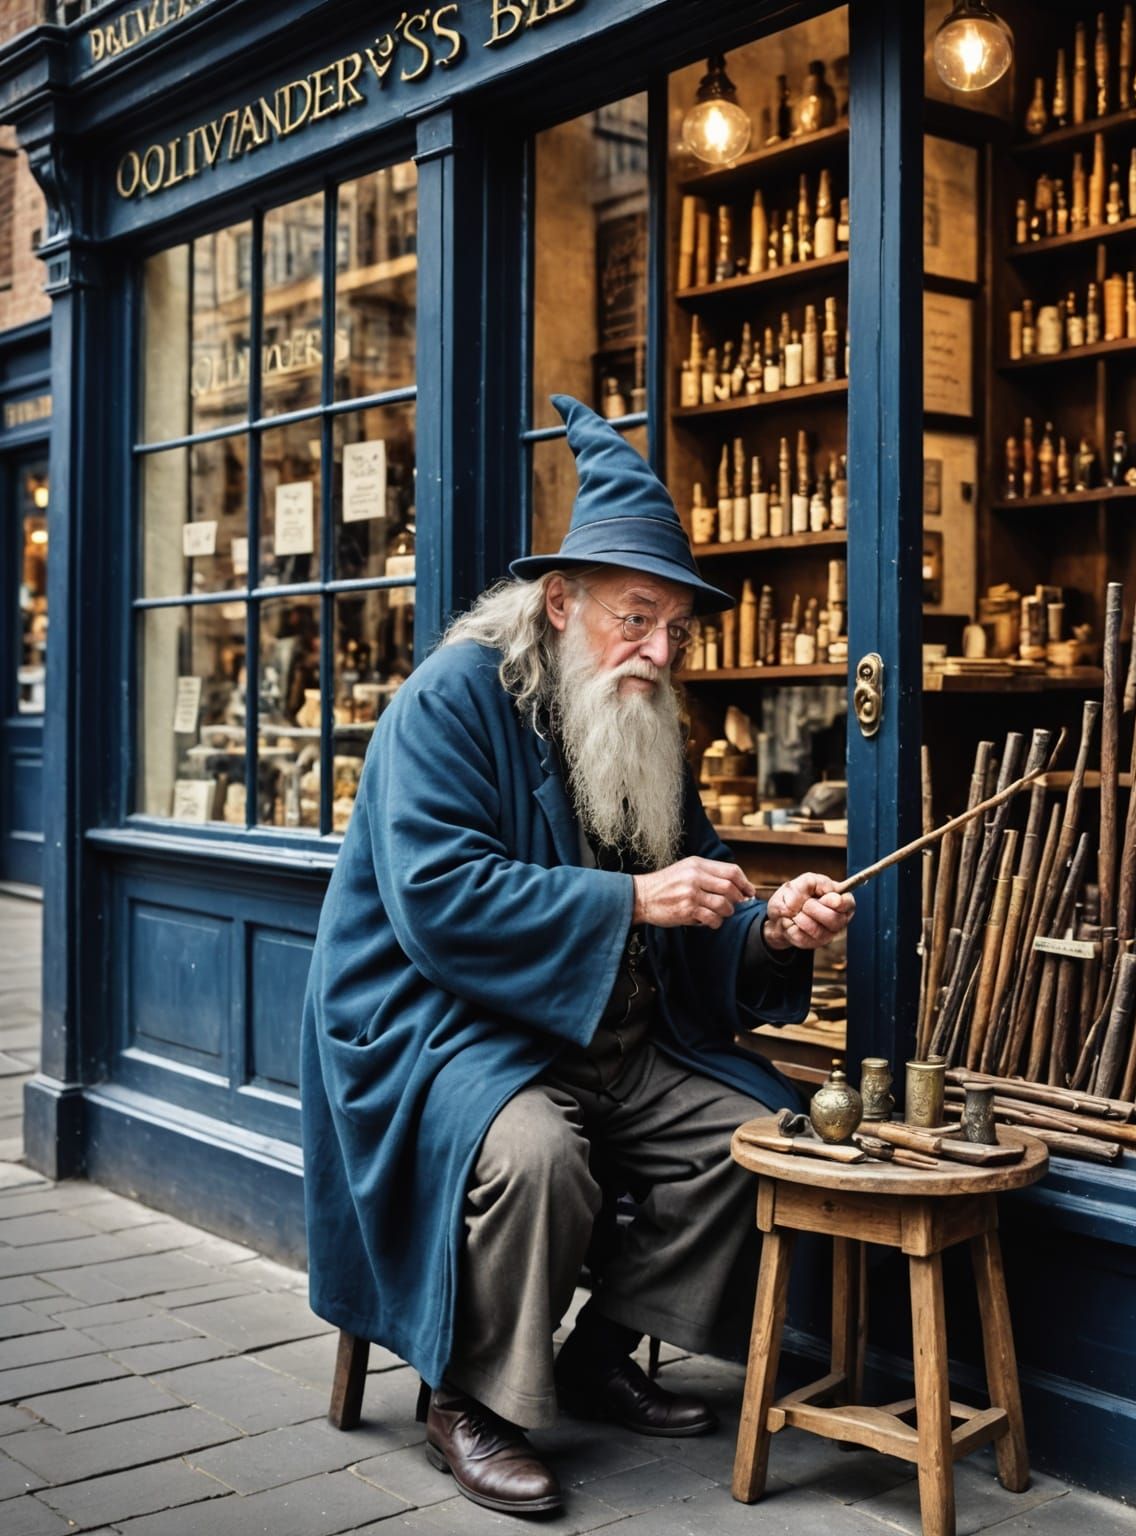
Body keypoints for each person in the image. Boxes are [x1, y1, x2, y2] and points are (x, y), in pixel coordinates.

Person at [300, 395, 854, 1518]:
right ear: (561, 603)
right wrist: (635, 898)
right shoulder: (452, 700)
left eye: (676, 631)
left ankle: (606, 1349)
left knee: (760, 1142)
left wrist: (768, 924)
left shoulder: (645, 723)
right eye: (635, 617)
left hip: (603, 1034)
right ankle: (468, 1400)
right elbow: (439, 899)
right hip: (445, 1027)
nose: (657, 651)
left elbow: (696, 895)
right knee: (537, 1155)